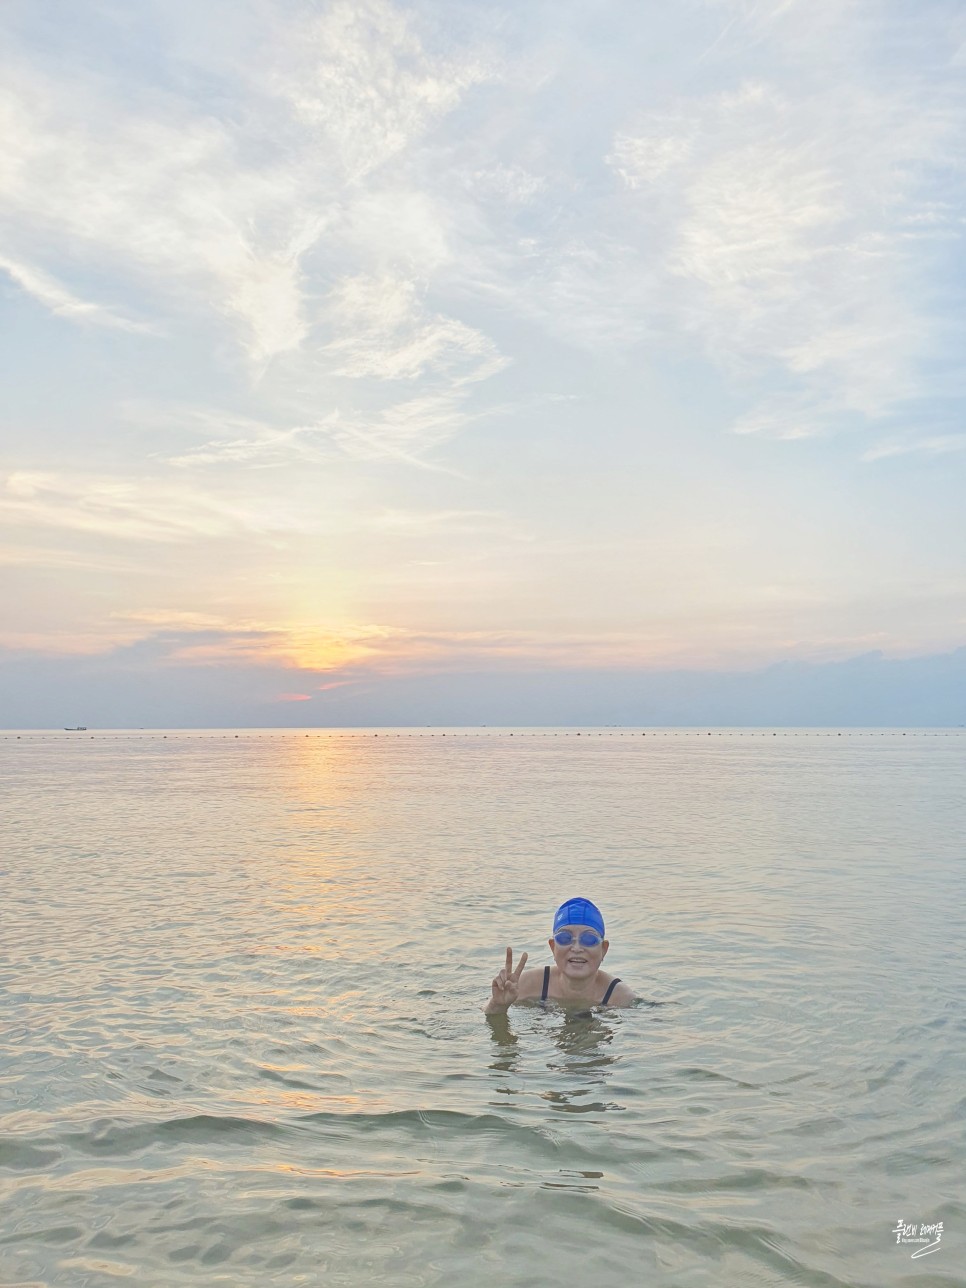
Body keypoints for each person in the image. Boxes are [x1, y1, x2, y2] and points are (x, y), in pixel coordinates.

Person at [484, 897, 635, 1014]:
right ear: (553, 947)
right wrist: (497, 1005)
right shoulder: (526, 984)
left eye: (588, 939)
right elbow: (486, 1016)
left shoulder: (620, 997)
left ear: (604, 949)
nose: (576, 948)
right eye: (565, 938)